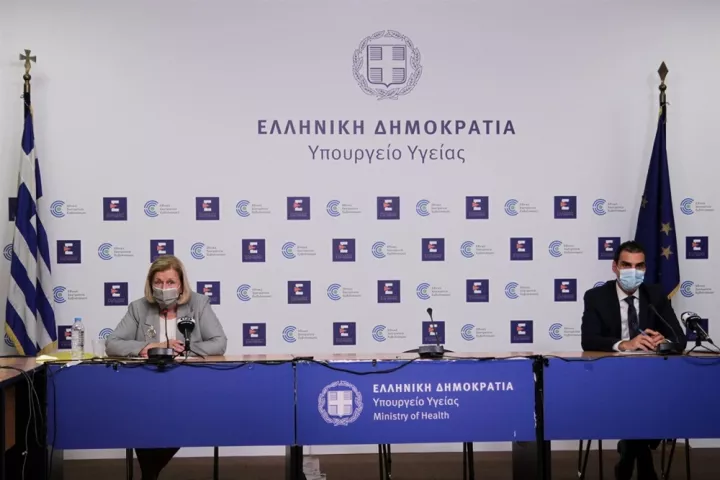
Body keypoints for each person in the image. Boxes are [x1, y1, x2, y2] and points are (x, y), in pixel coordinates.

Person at [106, 255, 227, 480]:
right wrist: (149, 347)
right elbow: (112, 344)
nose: (164, 288)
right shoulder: (138, 307)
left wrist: (182, 350)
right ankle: (150, 473)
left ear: (181, 284)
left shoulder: (199, 304)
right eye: (158, 282)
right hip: (148, 384)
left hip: (188, 385)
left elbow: (219, 342)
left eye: (170, 282)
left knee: (185, 418)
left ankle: (149, 473)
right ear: (151, 284)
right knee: (141, 417)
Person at [580, 240, 686, 480]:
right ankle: (643, 461)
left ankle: (628, 453)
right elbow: (589, 340)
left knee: (650, 399)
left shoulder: (655, 295)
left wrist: (663, 341)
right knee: (637, 402)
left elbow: (679, 338)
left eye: (639, 266)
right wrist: (624, 344)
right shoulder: (596, 297)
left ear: (645, 269)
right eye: (626, 265)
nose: (633, 271)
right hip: (612, 378)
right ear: (615, 267)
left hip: (651, 378)